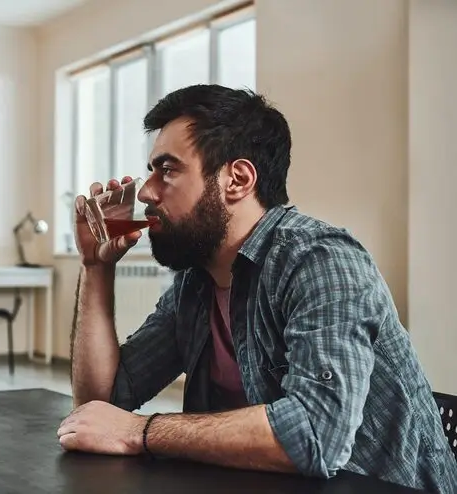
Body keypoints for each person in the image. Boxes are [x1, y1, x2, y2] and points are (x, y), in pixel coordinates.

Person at [57, 84, 457, 493]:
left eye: (168, 169)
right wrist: (96, 267)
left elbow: (316, 435)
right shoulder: (197, 283)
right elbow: (100, 402)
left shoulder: (321, 261)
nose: (145, 192)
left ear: (238, 179)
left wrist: (140, 431)